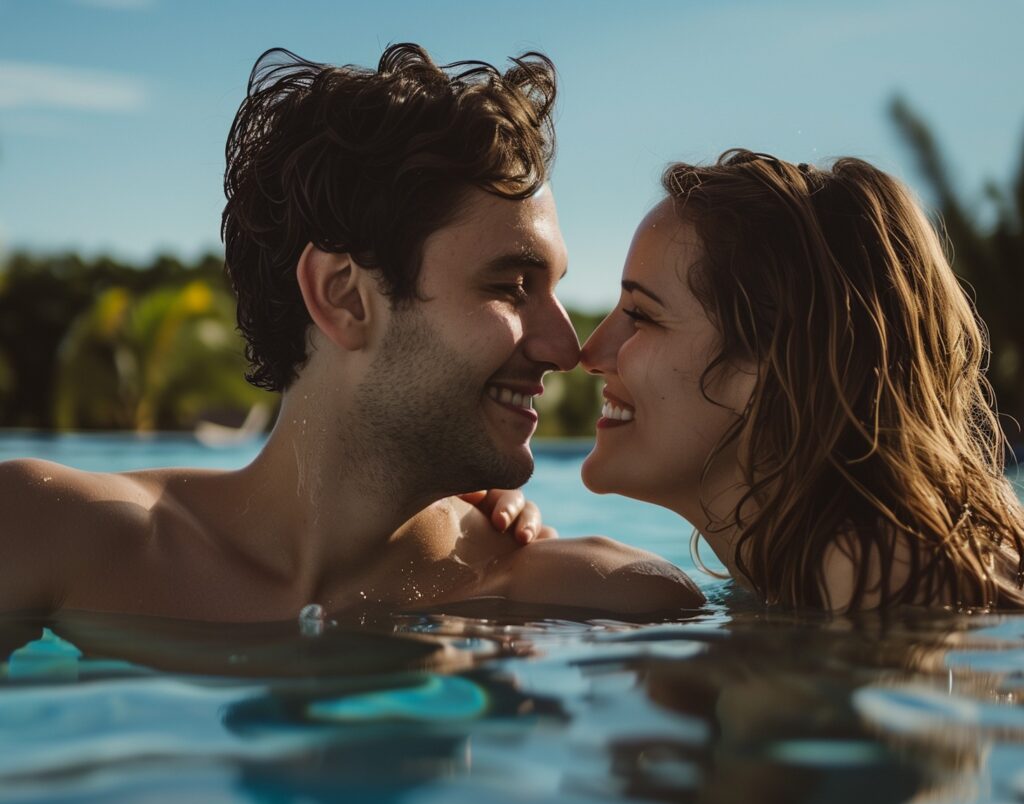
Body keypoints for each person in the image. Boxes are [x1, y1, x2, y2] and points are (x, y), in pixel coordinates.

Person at [0, 45, 699, 622]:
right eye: (511, 286)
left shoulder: (598, 598)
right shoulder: (50, 533)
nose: (566, 348)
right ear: (343, 297)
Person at [580, 149, 1024, 612]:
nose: (588, 354)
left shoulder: (877, 571)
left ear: (770, 366)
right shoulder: (830, 570)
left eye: (642, 315)